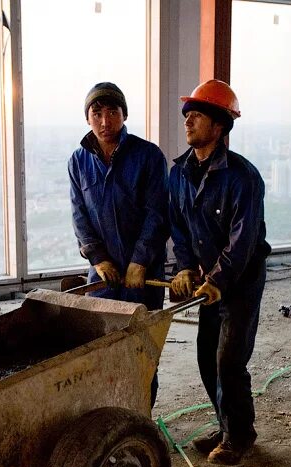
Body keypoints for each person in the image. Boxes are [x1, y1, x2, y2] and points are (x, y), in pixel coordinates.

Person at [168, 79, 271, 465]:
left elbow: (243, 239)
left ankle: (240, 437)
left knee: (229, 361)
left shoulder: (243, 178)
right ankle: (227, 425)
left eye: (197, 115)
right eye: (187, 114)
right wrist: (185, 269)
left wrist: (218, 280)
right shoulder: (179, 174)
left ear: (220, 125)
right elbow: (178, 226)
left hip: (240, 281)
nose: (188, 120)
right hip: (210, 280)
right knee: (206, 358)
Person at [68, 82, 169, 404]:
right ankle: (108, 417)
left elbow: (157, 213)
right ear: (87, 119)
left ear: (124, 115)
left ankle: (141, 418)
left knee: (142, 349)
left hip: (143, 272)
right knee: (99, 347)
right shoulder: (78, 160)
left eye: (113, 112)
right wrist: (98, 258)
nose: (104, 120)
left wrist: (140, 261)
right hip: (103, 274)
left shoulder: (147, 156)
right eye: (96, 113)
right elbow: (79, 214)